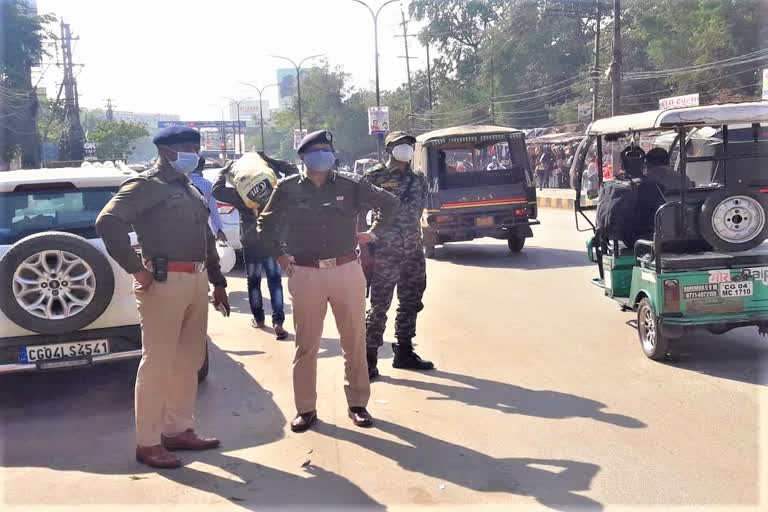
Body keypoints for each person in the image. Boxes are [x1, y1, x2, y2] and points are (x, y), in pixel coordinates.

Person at [96, 125, 230, 469]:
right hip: (164, 280)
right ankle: (148, 442)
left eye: (196, 147)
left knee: (189, 361)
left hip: (197, 279)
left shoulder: (189, 188)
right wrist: (136, 270)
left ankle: (178, 429)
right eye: (187, 146)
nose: (194, 153)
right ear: (166, 150)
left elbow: (206, 238)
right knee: (157, 364)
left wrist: (217, 283)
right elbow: (108, 222)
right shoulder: (147, 185)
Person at [257, 129, 399, 433]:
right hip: (305, 273)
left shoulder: (352, 184)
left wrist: (374, 231)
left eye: (326, 150)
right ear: (303, 157)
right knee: (306, 345)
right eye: (315, 151)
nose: (323, 155)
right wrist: (280, 256)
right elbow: (264, 224)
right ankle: (305, 409)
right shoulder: (287, 188)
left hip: (347, 270)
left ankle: (358, 404)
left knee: (354, 341)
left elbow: (389, 203)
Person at [361, 131, 435, 381]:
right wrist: (362, 244)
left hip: (413, 251)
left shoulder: (419, 179)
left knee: (411, 303)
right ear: (389, 149)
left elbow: (418, 212)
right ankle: (369, 359)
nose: (406, 148)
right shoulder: (374, 177)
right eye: (400, 144)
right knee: (379, 306)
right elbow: (359, 212)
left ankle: (404, 352)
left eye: (409, 144)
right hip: (384, 252)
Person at [212, 155, 298, 340]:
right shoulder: (278, 188)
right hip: (273, 242)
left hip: (251, 242)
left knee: (254, 281)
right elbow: (293, 171)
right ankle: (278, 322)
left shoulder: (241, 194)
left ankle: (259, 319)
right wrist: (270, 160)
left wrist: (225, 170)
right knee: (275, 281)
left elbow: (217, 191)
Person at [190, 157, 227, 242]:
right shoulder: (208, 185)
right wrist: (218, 230)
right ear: (202, 167)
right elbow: (213, 211)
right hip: (202, 228)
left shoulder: (181, 182)